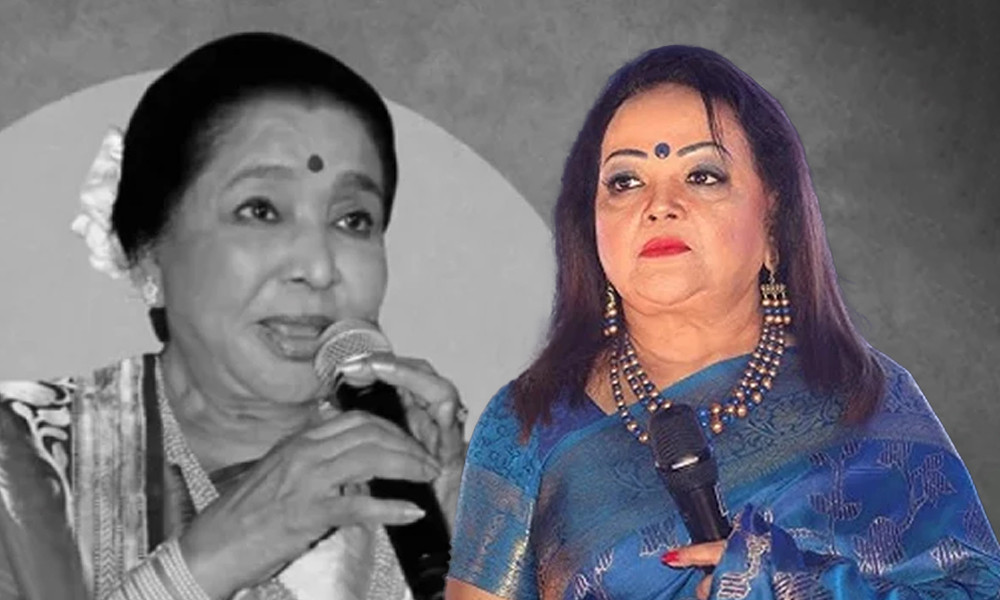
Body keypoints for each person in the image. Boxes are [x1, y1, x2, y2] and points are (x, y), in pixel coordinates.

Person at [445, 45, 1000, 599]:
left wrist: (790, 586)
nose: (659, 205)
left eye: (702, 175)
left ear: (774, 222)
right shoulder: (530, 426)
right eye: (625, 182)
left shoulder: (866, 399)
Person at [0, 32, 467, 600]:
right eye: (261, 210)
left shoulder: (437, 490)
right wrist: (207, 562)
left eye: (353, 221)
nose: (319, 268)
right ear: (147, 255)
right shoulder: (17, 463)